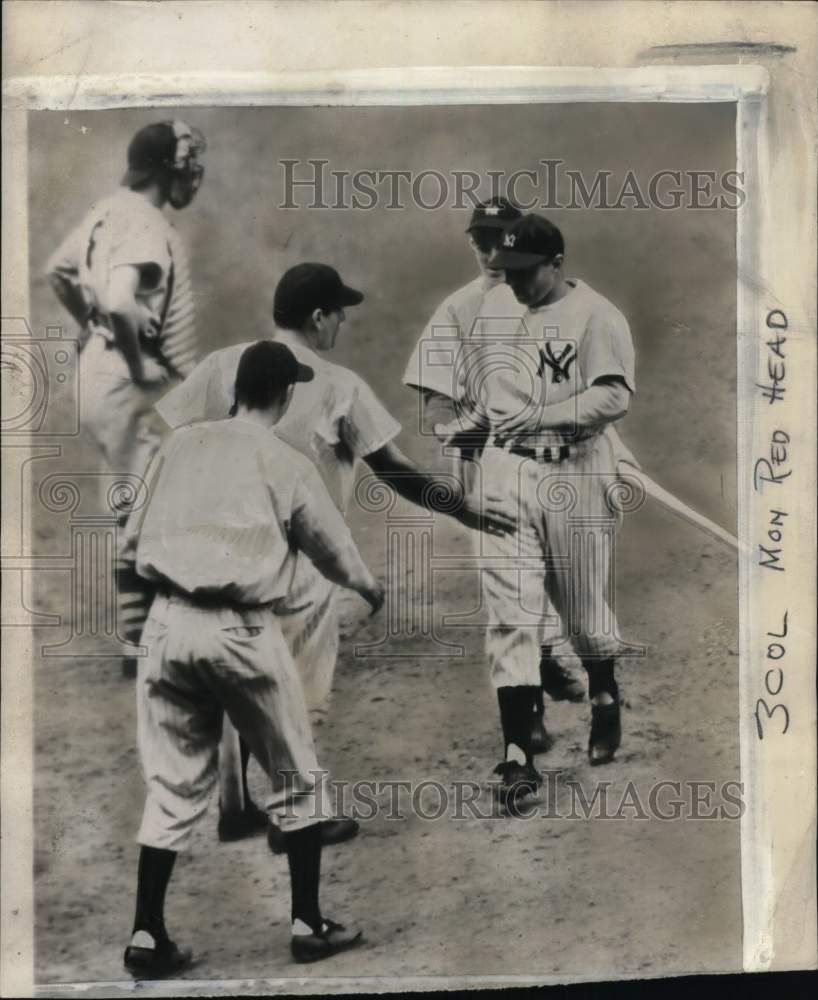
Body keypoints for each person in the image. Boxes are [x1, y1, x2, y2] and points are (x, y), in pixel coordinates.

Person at [156, 262, 516, 846]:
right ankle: (296, 816)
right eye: (338, 312)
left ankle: (235, 802)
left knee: (232, 676)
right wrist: (461, 508)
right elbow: (395, 470)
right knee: (297, 690)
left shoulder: (226, 363)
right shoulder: (337, 384)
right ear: (317, 317)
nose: (343, 322)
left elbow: (174, 434)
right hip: (299, 560)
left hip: (219, 551)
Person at [122, 340, 384, 976]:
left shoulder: (180, 443)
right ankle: (309, 924)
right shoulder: (285, 459)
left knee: (172, 785)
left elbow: (130, 536)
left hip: (167, 626)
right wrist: (370, 589)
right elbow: (332, 549)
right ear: (286, 394)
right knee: (297, 776)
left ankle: (147, 935)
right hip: (240, 632)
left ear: (235, 390)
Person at [438, 213, 637, 803]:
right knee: (511, 615)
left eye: (526, 272)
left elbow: (614, 395)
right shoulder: (498, 310)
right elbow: (498, 396)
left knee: (582, 615)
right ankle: (518, 756)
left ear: (556, 263)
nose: (515, 283)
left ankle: (603, 695)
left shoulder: (597, 315)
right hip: (507, 472)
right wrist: (470, 427)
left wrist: (544, 417)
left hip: (574, 471)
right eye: (507, 272)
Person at [401, 197, 585, 757]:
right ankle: (527, 722)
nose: (489, 251)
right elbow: (435, 398)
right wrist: (451, 443)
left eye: (500, 239)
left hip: (553, 468)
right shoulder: (458, 310)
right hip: (490, 472)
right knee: (510, 601)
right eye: (480, 239)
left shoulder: (556, 301)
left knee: (555, 588)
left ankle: (551, 652)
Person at [46, 120, 206, 672]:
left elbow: (59, 272)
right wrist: (138, 364)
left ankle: (137, 639)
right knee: (157, 499)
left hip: (97, 369)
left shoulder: (108, 208)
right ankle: (146, 643)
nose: (193, 175)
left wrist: (94, 334)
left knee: (129, 497)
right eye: (187, 164)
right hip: (127, 375)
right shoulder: (143, 220)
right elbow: (118, 300)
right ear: (167, 168)